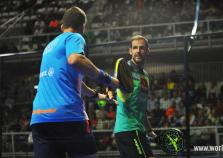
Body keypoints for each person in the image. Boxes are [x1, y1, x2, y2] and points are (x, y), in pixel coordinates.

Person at [30, 6, 119, 158]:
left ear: (61, 26)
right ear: (82, 27)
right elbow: (75, 59)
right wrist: (108, 80)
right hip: (68, 117)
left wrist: (99, 96)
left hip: (40, 119)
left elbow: (75, 84)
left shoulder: (49, 47)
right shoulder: (74, 37)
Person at [114, 35, 157, 158]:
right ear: (130, 51)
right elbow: (112, 83)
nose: (138, 50)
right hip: (127, 129)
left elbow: (141, 108)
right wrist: (109, 89)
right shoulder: (124, 69)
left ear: (148, 51)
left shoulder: (146, 76)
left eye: (142, 48)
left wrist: (149, 130)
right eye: (135, 48)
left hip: (140, 130)